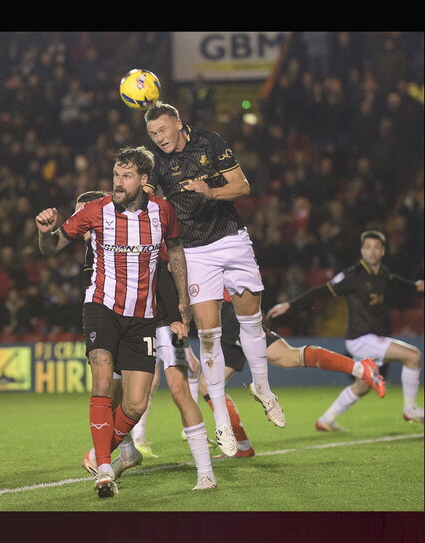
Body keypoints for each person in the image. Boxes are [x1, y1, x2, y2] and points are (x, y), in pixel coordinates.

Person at [36, 147, 192, 498]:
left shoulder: (163, 212)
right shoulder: (96, 210)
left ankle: (112, 448)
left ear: (143, 180)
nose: (118, 183)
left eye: (125, 177)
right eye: (115, 176)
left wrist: (183, 301)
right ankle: (104, 467)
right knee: (103, 376)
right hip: (102, 306)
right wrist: (46, 232)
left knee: (135, 404)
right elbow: (54, 245)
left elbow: (177, 252)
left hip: (143, 317)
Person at [143, 101, 285, 458]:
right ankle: (221, 420)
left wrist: (212, 191)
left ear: (178, 123)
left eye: (163, 130)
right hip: (194, 251)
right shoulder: (156, 163)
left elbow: (242, 185)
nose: (159, 138)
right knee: (208, 334)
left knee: (251, 320)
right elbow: (147, 196)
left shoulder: (209, 142)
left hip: (231, 237)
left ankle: (263, 389)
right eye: (153, 133)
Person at [75, 189, 217, 489]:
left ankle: (205, 471)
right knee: (115, 392)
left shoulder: (140, 230)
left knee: (178, 390)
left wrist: (178, 317)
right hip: (123, 321)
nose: (81, 220)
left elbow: (165, 271)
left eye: (83, 213)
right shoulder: (97, 249)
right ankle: (126, 451)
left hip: (159, 317)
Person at [181, 289, 386, 458]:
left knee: (288, 357)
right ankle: (242, 445)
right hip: (222, 317)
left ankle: (361, 368)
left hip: (228, 315)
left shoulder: (192, 247)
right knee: (207, 386)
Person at [266, 230, 425, 429]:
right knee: (413, 356)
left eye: (376, 247)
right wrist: (290, 304)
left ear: (383, 250)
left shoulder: (382, 274)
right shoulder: (353, 276)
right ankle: (410, 408)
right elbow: (322, 290)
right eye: (368, 247)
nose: (372, 251)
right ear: (362, 250)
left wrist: (418, 286)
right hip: (360, 338)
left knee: (362, 387)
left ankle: (326, 420)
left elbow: (404, 286)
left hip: (372, 338)